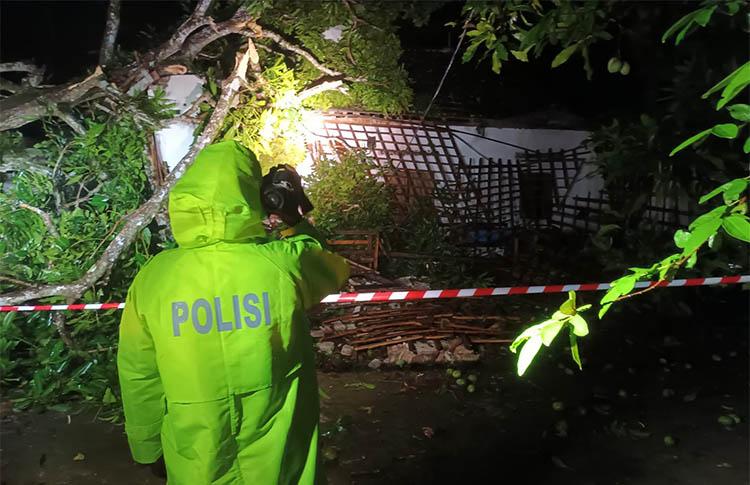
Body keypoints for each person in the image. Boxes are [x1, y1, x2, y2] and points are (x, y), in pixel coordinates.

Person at [117, 141, 349, 484]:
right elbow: (330, 266)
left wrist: (147, 446)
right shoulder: (282, 262)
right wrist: (293, 220)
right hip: (280, 455)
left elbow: (139, 371)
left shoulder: (154, 277)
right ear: (249, 196)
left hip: (196, 454)